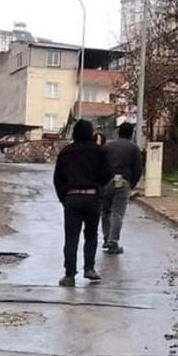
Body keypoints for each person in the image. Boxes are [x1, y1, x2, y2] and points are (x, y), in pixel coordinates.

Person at [53, 118, 112, 286]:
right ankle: (89, 268)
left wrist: (64, 198)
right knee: (91, 234)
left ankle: (69, 275)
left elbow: (58, 179)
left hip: (72, 197)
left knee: (71, 237)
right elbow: (108, 173)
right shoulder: (99, 151)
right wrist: (98, 188)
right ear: (91, 133)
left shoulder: (66, 152)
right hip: (93, 197)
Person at [101, 121, 142, 254]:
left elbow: (99, 164)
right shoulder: (134, 148)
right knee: (117, 212)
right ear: (131, 134)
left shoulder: (107, 146)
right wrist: (131, 184)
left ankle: (106, 238)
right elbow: (138, 169)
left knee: (105, 211)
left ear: (119, 133)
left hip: (107, 181)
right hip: (123, 182)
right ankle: (113, 242)